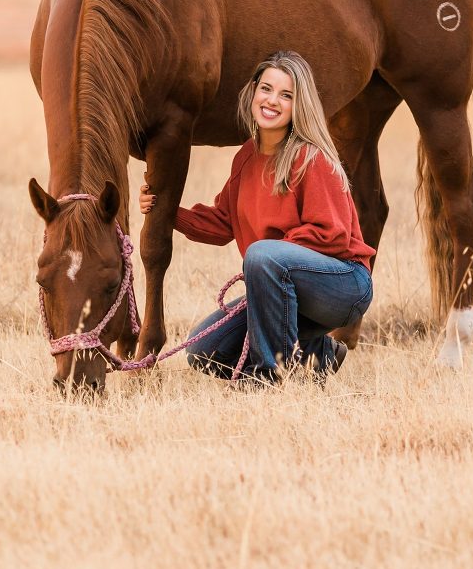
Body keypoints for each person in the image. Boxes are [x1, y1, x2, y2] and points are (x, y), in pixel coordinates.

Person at [139, 50, 375, 386]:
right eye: (266, 89)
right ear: (252, 92)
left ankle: (268, 376)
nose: (272, 100)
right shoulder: (246, 157)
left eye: (286, 95)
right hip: (281, 284)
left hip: (343, 286)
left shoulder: (310, 157)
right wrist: (165, 210)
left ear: (299, 105)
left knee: (263, 255)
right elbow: (222, 224)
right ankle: (318, 355)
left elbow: (333, 235)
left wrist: (268, 262)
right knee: (204, 349)